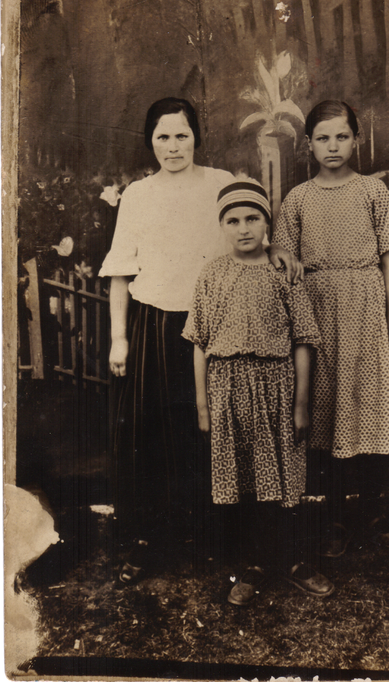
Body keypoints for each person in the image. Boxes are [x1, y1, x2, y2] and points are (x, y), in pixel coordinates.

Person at [99, 98, 299, 584]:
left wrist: (276, 249)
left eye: (182, 135)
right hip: (154, 325)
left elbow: (250, 227)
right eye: (163, 137)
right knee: (151, 434)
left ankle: (218, 536)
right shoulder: (138, 195)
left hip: (219, 324)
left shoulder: (218, 183)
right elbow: (121, 273)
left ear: (196, 138)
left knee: (215, 428)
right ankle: (152, 539)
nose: (173, 147)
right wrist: (119, 339)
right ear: (150, 142)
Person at [182, 180, 334, 605]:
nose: (244, 228)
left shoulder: (283, 272)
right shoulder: (212, 274)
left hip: (277, 388)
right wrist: (203, 405)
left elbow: (304, 340)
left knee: (283, 479)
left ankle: (293, 561)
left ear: (267, 223)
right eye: (233, 221)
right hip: (227, 390)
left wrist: (300, 404)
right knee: (242, 480)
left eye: (253, 218)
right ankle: (252, 566)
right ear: (221, 226)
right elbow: (199, 342)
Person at [273, 100, 389, 556]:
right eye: (323, 138)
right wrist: (284, 259)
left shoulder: (373, 191)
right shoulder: (298, 199)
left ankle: (374, 513)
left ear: (356, 139)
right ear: (308, 145)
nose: (332, 146)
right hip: (318, 315)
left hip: (368, 313)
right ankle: (334, 518)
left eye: (341, 136)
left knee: (369, 409)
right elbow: (282, 259)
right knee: (328, 413)